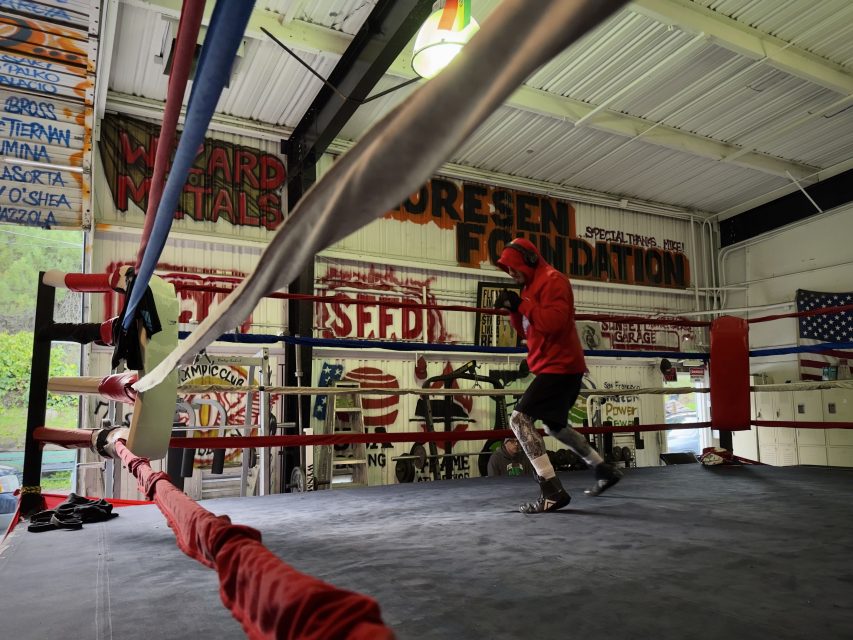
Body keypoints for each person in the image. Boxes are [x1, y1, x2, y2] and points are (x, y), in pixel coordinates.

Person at [494, 237, 622, 513]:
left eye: (513, 266)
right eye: (507, 268)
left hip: (560, 365)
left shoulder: (553, 281)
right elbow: (527, 330)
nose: (511, 272)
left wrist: (521, 306)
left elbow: (554, 322)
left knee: (519, 420)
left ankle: (551, 491)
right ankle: (603, 469)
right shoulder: (529, 287)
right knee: (556, 427)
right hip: (553, 365)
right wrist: (513, 310)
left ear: (529, 260)